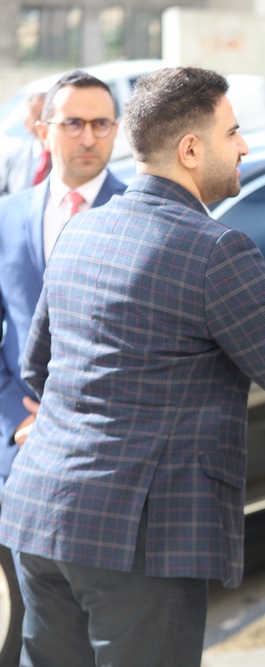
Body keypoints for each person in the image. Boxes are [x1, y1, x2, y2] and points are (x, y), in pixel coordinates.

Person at [0, 66, 265, 667]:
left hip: (41, 516)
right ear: (190, 150)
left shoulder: (82, 229)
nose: (244, 145)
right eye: (233, 132)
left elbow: (37, 366)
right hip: (140, 539)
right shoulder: (218, 250)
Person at [0, 72, 126, 489]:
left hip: (114, 453)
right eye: (73, 123)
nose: (88, 138)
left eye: (100, 124)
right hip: (22, 447)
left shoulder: (141, 216)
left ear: (116, 130)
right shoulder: (6, 217)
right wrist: (15, 417)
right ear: (42, 132)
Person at [0, 91, 48, 196]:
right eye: (40, 116)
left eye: (49, 115)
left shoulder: (69, 155)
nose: (45, 122)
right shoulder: (10, 160)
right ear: (27, 123)